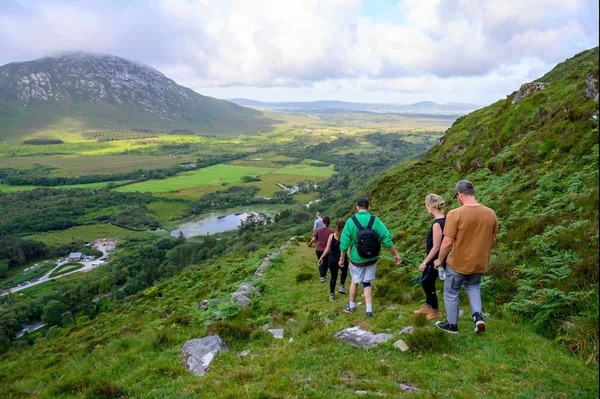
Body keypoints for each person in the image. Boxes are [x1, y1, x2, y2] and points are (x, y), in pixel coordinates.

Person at [434, 180, 498, 334]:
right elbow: (493, 239)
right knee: (473, 286)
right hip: (479, 262)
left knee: (451, 291)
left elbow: (448, 241)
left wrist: (439, 260)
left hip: (458, 263)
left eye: (457, 196)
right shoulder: (490, 213)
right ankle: (478, 317)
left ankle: (452, 325)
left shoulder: (456, 214)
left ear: (460, 195)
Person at [339, 198, 401, 317]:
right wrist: (395, 254)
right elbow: (386, 238)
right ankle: (369, 309)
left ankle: (351, 306)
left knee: (355, 282)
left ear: (357, 207)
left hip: (357, 259)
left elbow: (344, 243)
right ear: (368, 207)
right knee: (367, 283)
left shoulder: (350, 222)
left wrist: (342, 259)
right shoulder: (375, 220)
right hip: (372, 258)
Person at [413, 194, 446, 320]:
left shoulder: (437, 224)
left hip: (435, 260)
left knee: (427, 282)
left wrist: (425, 262)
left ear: (430, 207)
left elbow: (436, 246)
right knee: (428, 281)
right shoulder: (447, 219)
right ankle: (427, 306)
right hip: (442, 258)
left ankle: (436, 310)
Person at [318, 219, 349, 301]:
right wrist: (352, 259)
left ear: (336, 226)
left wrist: (321, 257)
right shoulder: (346, 236)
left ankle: (331, 295)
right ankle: (342, 286)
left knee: (333, 276)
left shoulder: (331, 236)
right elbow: (347, 249)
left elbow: (327, 248)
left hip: (332, 259)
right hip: (342, 258)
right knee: (344, 271)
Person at [308, 216, 334, 282]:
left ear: (323, 222)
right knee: (325, 263)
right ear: (329, 222)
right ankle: (323, 275)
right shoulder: (331, 230)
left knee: (320, 261)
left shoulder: (318, 230)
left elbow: (313, 239)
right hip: (327, 250)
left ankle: (322, 276)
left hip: (319, 249)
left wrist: (310, 243)